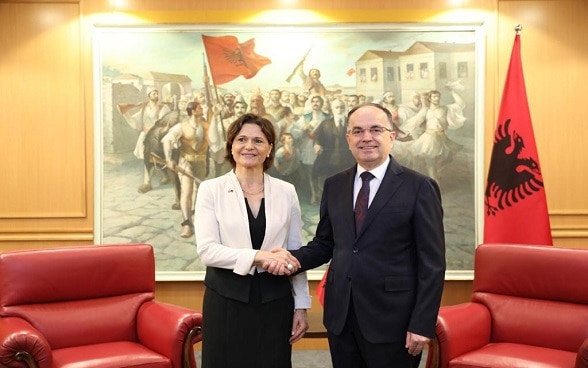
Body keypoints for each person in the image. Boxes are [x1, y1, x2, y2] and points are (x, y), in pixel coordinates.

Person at [266, 103, 446, 368]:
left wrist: (422, 323)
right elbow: (326, 243)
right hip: (342, 317)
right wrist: (291, 258)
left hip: (393, 320)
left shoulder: (419, 187)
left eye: (376, 129)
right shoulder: (335, 184)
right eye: (358, 131)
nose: (366, 137)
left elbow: (432, 264)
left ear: (391, 136)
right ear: (348, 139)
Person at [194, 113, 311, 368]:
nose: (249, 146)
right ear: (231, 146)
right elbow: (208, 251)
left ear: (269, 148)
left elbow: (294, 251)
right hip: (226, 299)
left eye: (258, 140)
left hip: (275, 301)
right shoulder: (210, 189)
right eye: (242, 139)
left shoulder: (286, 191)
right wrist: (260, 256)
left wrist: (301, 305)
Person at [162, 101, 209, 238]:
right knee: (187, 191)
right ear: (193, 111)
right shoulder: (182, 126)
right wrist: (169, 159)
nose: (202, 108)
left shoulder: (206, 126)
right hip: (185, 162)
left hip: (201, 162)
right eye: (200, 107)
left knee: (199, 192)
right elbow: (167, 140)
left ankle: (196, 219)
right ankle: (187, 224)